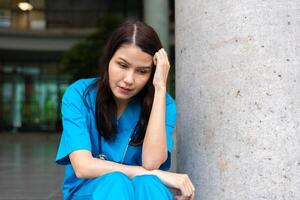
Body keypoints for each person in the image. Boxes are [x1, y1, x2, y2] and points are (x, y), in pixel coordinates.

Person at [55, 20, 195, 200]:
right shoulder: (79, 95)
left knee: (149, 183)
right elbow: (83, 167)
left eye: (142, 71)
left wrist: (160, 88)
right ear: (108, 60)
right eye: (122, 65)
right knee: (117, 182)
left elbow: (151, 163)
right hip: (89, 192)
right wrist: (155, 174)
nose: (129, 79)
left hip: (139, 191)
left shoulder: (164, 105)